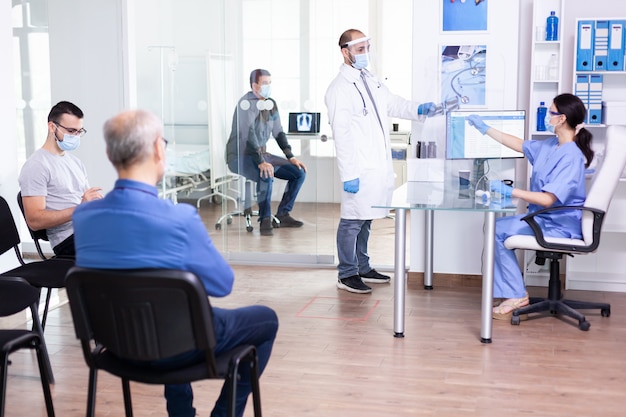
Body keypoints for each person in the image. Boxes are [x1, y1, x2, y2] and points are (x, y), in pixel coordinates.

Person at [72, 109, 279, 417]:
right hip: (177, 348)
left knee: (167, 311)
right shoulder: (178, 218)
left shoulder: (84, 217)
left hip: (115, 347)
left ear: (109, 154)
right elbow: (223, 284)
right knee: (266, 319)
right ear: (159, 148)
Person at [324, 29, 438, 294]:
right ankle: (346, 273)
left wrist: (418, 109)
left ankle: (363, 266)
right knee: (352, 220)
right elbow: (341, 136)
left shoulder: (369, 80)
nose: (366, 53)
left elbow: (393, 104)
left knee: (366, 218)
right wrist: (349, 174)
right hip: (358, 168)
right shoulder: (339, 89)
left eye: (367, 48)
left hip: (375, 166)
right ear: (346, 52)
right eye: (360, 49)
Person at [466, 93, 593, 319]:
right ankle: (512, 290)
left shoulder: (571, 156)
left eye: (550, 112)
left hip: (558, 224)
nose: (546, 117)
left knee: (496, 230)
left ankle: (515, 294)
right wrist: (485, 129)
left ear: (561, 118)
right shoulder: (552, 145)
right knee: (497, 227)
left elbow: (547, 199)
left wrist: (510, 191)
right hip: (543, 218)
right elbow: (519, 144)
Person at [226, 68, 307, 236]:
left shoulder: (271, 104)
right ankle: (264, 220)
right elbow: (248, 135)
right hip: (240, 156)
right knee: (266, 173)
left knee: (299, 172)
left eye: (270, 83)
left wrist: (290, 156)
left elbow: (278, 132)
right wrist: (261, 161)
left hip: (262, 154)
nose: (268, 87)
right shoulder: (245, 104)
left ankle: (283, 213)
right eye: (264, 83)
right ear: (254, 86)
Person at [18, 101, 103, 258]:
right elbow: (34, 221)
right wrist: (80, 208)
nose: (76, 136)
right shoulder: (36, 165)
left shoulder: (75, 163)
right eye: (71, 131)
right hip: (68, 240)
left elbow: (86, 203)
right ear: (52, 127)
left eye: (79, 132)